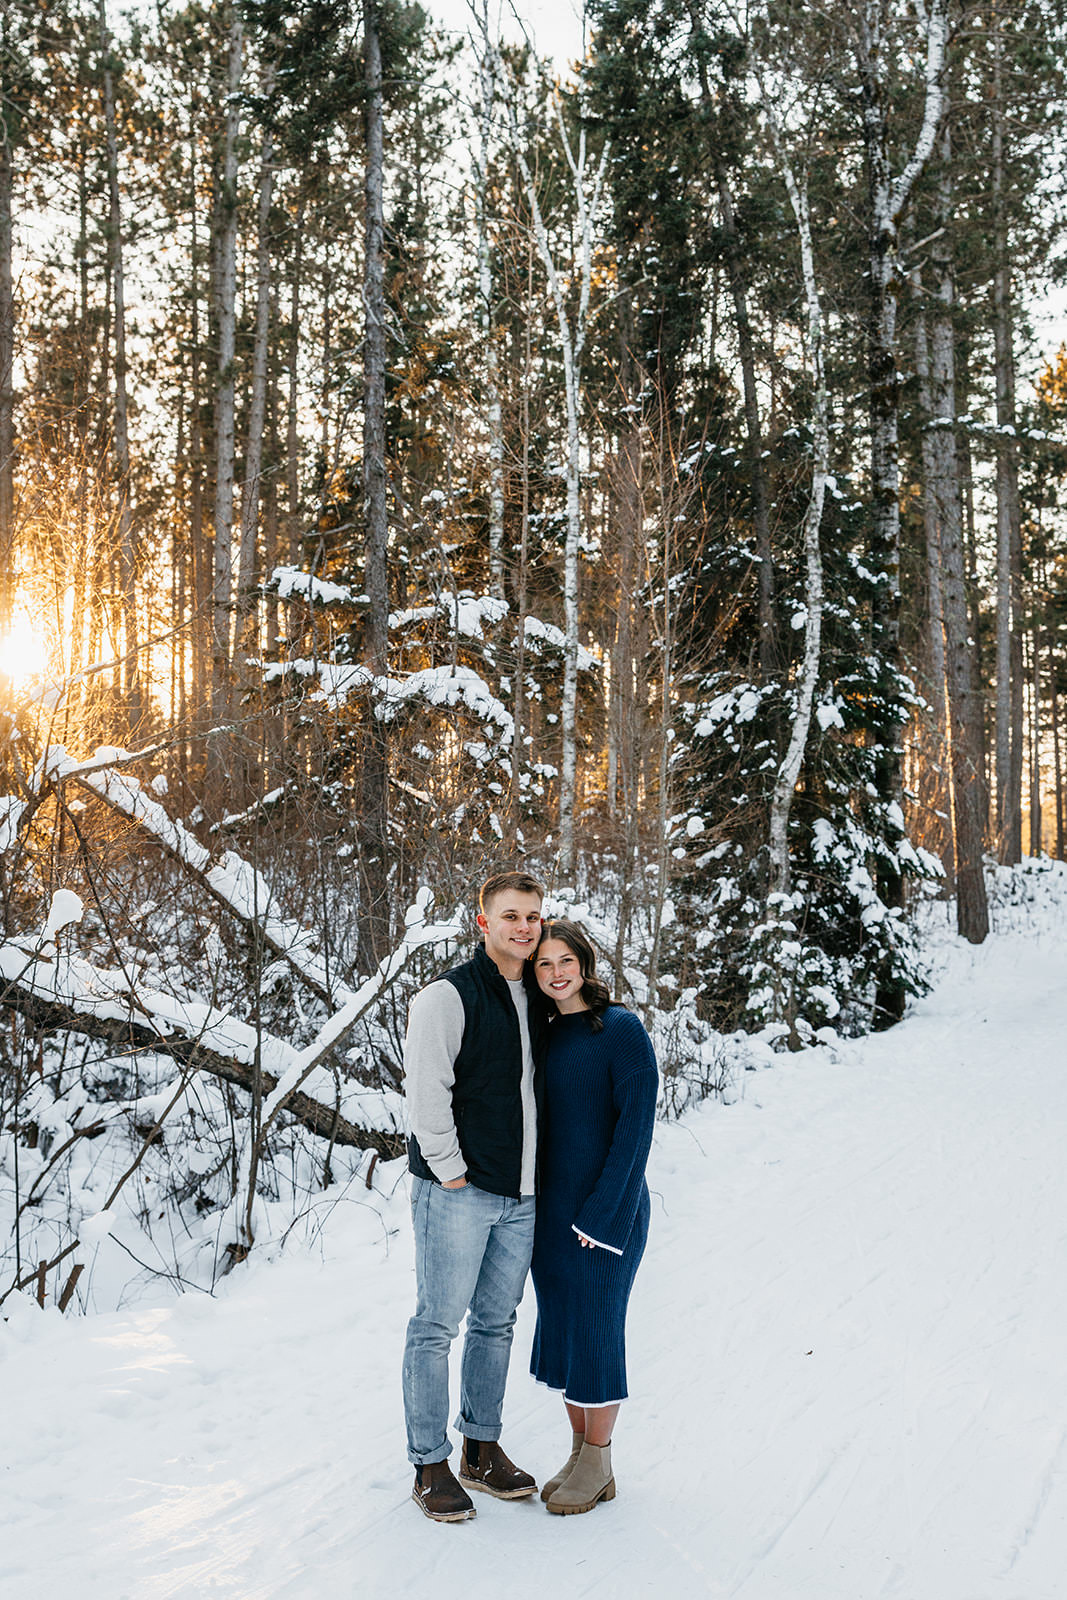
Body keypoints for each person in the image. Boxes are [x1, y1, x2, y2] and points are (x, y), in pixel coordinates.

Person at [401, 869, 546, 1522]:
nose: (524, 927)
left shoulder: (539, 995)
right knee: (436, 1326)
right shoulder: (446, 997)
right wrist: (448, 1168)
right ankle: (428, 1462)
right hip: (459, 1192)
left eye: (533, 917)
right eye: (511, 915)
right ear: (482, 922)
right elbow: (426, 1090)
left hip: (522, 1195)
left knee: (496, 1323)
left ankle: (479, 1450)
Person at [529, 919, 658, 1516]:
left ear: (585, 962)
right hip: (552, 1214)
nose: (555, 973)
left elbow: (635, 1128)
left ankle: (600, 1459)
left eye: (565, 961)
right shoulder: (546, 1033)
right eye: (543, 964)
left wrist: (604, 1218)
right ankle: (581, 1454)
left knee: (598, 1330)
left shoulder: (622, 1030)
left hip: (608, 1214)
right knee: (564, 1330)